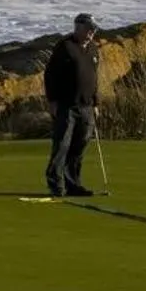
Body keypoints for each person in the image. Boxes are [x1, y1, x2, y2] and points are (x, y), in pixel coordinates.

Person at [42, 13, 102, 197]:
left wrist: (96, 103)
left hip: (87, 106)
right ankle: (56, 184)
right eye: (89, 29)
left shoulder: (93, 49)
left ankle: (73, 184)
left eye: (93, 29)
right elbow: (50, 75)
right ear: (78, 27)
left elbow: (94, 77)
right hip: (66, 105)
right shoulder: (65, 47)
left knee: (79, 147)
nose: (92, 32)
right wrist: (52, 101)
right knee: (62, 146)